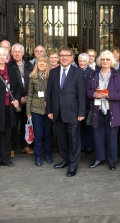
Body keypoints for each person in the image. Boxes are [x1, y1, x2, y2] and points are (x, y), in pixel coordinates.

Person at [45, 47, 86, 177]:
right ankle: (65, 159)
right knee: (61, 139)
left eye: (67, 55)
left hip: (73, 112)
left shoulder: (78, 73)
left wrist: (81, 112)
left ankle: (73, 165)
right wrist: (49, 110)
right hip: (57, 112)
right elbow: (49, 93)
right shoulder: (53, 72)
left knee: (73, 140)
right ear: (58, 57)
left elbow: (81, 95)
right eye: (61, 55)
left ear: (72, 57)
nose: (64, 57)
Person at [86, 51, 120, 171]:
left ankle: (112, 160)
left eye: (108, 59)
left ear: (111, 61)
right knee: (98, 137)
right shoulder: (93, 75)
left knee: (112, 138)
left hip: (112, 111)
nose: (105, 61)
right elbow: (87, 92)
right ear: (100, 61)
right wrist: (94, 93)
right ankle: (99, 158)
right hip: (97, 111)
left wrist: (107, 94)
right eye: (103, 59)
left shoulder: (116, 75)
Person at [26, 55, 53, 166]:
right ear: (37, 64)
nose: (42, 64)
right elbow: (30, 95)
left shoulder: (51, 76)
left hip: (48, 110)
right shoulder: (33, 77)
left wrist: (50, 103)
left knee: (48, 133)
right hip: (36, 109)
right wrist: (28, 112)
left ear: (47, 64)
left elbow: (54, 93)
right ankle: (37, 156)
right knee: (38, 134)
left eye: (44, 62)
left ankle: (47, 154)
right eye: (39, 62)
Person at [10, 43, 35, 157]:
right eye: (15, 51)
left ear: (23, 53)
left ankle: (25, 145)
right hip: (14, 100)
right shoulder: (8, 66)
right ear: (11, 53)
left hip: (28, 100)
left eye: (19, 51)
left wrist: (28, 98)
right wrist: (18, 99)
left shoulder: (30, 65)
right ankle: (12, 148)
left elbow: (34, 82)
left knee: (26, 124)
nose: (17, 54)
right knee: (13, 125)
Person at [78, 53, 95, 155]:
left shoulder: (92, 73)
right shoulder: (74, 71)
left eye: (84, 61)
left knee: (89, 126)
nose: (82, 63)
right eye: (80, 61)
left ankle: (90, 146)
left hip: (89, 103)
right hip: (78, 103)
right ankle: (81, 145)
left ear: (88, 62)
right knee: (80, 127)